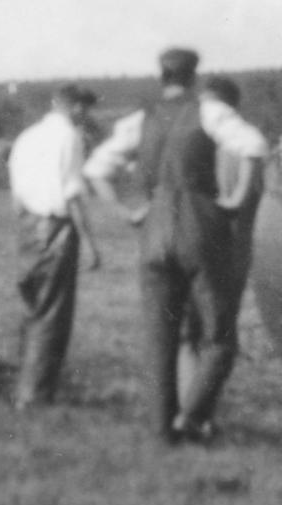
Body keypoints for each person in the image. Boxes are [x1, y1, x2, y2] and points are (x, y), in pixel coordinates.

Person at [83, 47, 269, 444]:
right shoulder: (209, 112)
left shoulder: (140, 118)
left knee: (159, 337)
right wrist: (236, 196)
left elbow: (96, 169)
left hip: (153, 225)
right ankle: (192, 416)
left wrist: (123, 211)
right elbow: (254, 145)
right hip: (200, 223)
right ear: (194, 74)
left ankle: (160, 431)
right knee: (219, 337)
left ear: (161, 75)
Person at [6, 84, 104, 408]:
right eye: (85, 110)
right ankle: (34, 394)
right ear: (76, 107)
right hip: (55, 225)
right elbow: (72, 191)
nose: (86, 116)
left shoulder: (27, 136)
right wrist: (89, 242)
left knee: (30, 305)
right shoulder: (70, 137)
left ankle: (24, 383)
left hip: (27, 223)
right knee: (52, 313)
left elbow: (16, 189)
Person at [177, 76, 266, 403]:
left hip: (191, 237)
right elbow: (281, 190)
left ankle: (186, 401)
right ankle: (199, 410)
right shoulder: (246, 142)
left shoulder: (191, 141)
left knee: (189, 329)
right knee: (220, 331)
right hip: (232, 248)